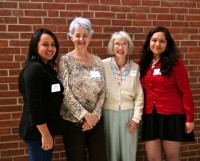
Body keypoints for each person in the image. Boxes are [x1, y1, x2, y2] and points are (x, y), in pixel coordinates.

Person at [140, 26, 195, 161]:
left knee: (172, 157)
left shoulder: (176, 64)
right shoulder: (143, 64)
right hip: (150, 116)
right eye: (154, 40)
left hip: (172, 117)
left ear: (167, 44)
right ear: (149, 42)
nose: (157, 44)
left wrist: (189, 119)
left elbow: (186, 92)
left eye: (162, 41)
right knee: (153, 158)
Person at [57, 17, 107, 161]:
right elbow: (65, 91)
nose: (81, 39)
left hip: (95, 122)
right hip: (72, 122)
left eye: (85, 35)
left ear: (90, 37)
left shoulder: (97, 61)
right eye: (77, 35)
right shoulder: (65, 61)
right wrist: (84, 114)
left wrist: (95, 115)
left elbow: (102, 90)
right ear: (71, 37)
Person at [18, 28, 64, 161]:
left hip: (44, 129)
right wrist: (45, 134)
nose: (50, 48)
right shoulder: (34, 69)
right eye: (45, 44)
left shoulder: (45, 67)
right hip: (37, 132)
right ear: (35, 45)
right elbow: (34, 104)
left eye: (53, 44)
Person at [102, 31, 144, 161]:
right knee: (111, 151)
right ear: (112, 46)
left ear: (129, 47)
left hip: (129, 115)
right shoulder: (103, 65)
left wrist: (136, 118)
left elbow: (139, 95)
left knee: (128, 152)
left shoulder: (135, 67)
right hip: (109, 114)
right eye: (117, 44)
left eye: (124, 44)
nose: (120, 48)